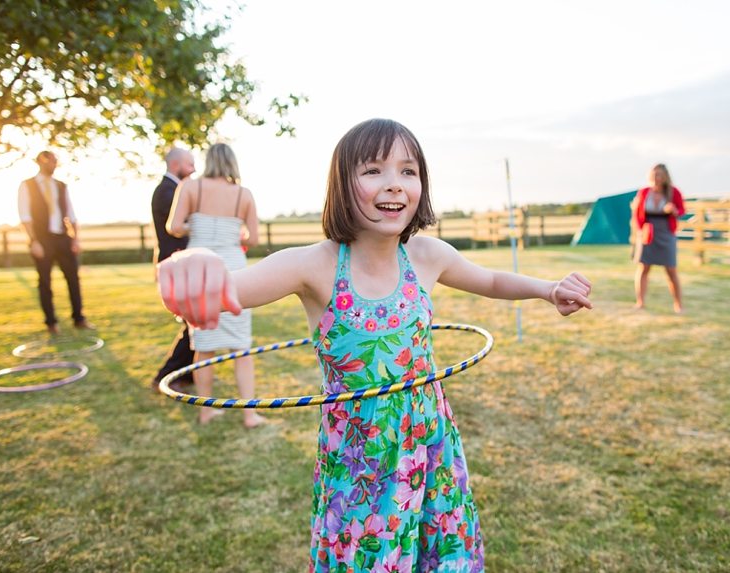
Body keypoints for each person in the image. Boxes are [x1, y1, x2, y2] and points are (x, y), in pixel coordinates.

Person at [157, 119, 592, 569]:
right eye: (373, 171)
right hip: (361, 463)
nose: (395, 185)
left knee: (443, 556)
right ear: (342, 185)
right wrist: (193, 262)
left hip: (430, 444)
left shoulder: (427, 256)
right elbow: (221, 291)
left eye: (409, 171)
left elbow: (493, 279)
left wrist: (547, 289)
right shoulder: (313, 265)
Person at [166, 143, 264, 428]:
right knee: (241, 347)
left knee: (204, 343)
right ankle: (249, 414)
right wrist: (233, 231)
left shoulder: (189, 187)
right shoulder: (243, 194)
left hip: (200, 268)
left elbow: (173, 226)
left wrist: (196, 226)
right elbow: (254, 239)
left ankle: (206, 410)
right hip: (233, 269)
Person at [17, 151, 94, 335]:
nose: (54, 164)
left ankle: (78, 317)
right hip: (42, 239)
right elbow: (25, 217)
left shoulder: (60, 186)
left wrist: (75, 239)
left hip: (62, 237)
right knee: (45, 281)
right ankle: (51, 322)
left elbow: (71, 215)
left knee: (73, 279)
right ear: (41, 161)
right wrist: (33, 241)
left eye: (55, 161)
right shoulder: (28, 186)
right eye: (51, 161)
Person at [150, 147, 197, 393]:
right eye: (190, 165)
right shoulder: (168, 191)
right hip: (175, 264)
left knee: (194, 320)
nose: (194, 170)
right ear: (176, 164)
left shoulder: (172, 189)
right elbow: (181, 224)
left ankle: (187, 373)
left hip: (179, 263)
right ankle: (166, 375)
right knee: (193, 321)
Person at [632, 163, 686, 313]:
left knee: (671, 269)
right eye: (654, 174)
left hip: (666, 232)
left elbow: (681, 210)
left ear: (665, 176)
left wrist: (673, 210)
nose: (657, 178)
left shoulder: (673, 192)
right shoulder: (643, 192)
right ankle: (640, 302)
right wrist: (640, 231)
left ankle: (678, 304)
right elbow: (637, 214)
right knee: (643, 267)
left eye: (660, 175)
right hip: (648, 232)